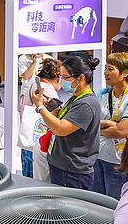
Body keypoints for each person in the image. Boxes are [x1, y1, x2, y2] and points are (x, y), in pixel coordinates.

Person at [32, 56, 101, 190]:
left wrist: (40, 107)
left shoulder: (86, 104)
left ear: (81, 78)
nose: (62, 81)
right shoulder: (76, 98)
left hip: (72, 170)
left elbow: (61, 129)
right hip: (62, 164)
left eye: (66, 78)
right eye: (61, 77)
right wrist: (52, 110)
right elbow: (61, 122)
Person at [94, 52, 128, 200]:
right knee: (96, 201)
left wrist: (97, 129)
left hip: (119, 161)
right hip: (97, 156)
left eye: (110, 69)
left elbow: (122, 131)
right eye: (105, 68)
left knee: (114, 204)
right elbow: (90, 123)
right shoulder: (102, 93)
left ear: (125, 73)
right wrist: (108, 124)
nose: (105, 73)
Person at [23, 58, 62, 181]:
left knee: (29, 177)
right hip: (41, 140)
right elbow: (55, 115)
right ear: (57, 78)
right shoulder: (48, 89)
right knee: (41, 177)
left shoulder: (33, 86)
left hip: (28, 137)